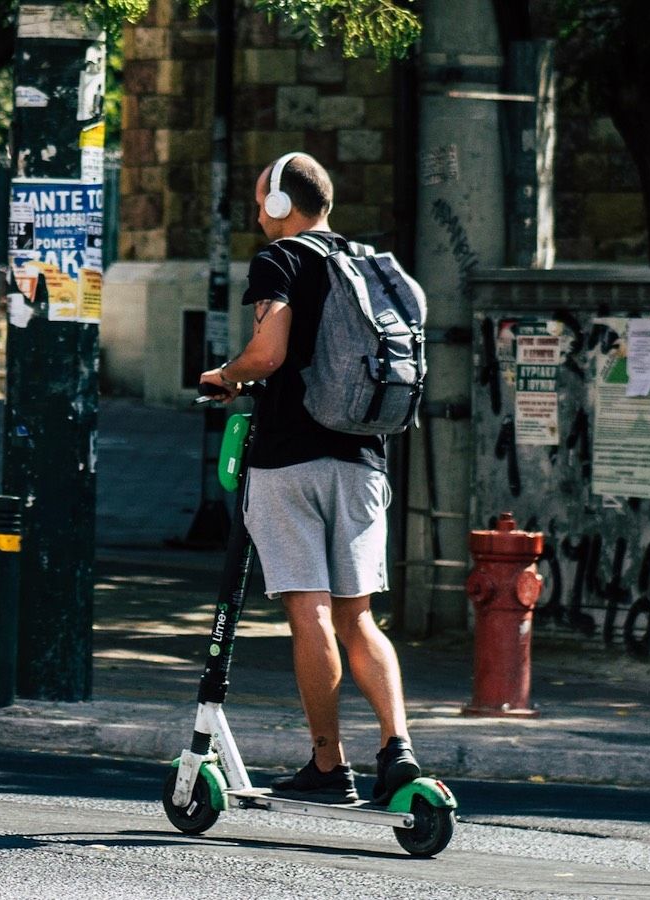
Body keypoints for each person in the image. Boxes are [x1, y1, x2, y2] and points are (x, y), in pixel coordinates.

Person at [199, 152, 421, 806]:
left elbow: (268, 353)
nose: (254, 212)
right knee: (360, 619)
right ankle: (397, 747)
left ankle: (329, 766)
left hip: (290, 460)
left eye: (257, 199)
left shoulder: (281, 258)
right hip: (363, 459)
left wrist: (227, 376)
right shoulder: (368, 262)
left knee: (311, 613)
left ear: (276, 205)